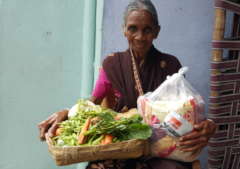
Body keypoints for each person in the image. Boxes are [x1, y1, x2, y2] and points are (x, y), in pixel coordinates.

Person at [38, 0, 216, 168]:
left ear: (157, 31)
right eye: (133, 28)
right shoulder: (112, 64)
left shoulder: (170, 65)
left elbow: (187, 110)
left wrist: (207, 125)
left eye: (147, 29)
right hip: (122, 147)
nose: (140, 36)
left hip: (160, 150)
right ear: (124, 30)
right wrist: (67, 112)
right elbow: (90, 105)